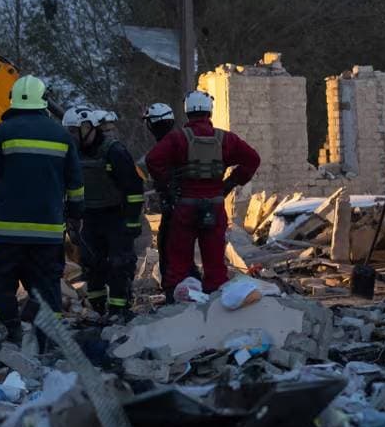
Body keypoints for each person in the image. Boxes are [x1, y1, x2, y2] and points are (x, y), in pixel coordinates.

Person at [0, 76, 84, 351]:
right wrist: (75, 216)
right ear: (43, 101)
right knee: (48, 290)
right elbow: (76, 185)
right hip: (47, 235)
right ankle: (47, 346)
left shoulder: (2, 133)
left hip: (5, 233)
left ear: (13, 100)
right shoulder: (61, 135)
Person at [144, 90, 259, 294]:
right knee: (215, 263)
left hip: (184, 207)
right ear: (210, 111)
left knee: (179, 261)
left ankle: (177, 302)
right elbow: (253, 159)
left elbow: (153, 160)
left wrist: (169, 185)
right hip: (214, 206)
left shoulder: (178, 138)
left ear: (187, 112)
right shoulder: (225, 138)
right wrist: (231, 182)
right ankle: (215, 304)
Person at [66, 105, 145, 319]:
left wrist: (132, 220)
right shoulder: (71, 154)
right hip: (89, 218)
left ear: (88, 127)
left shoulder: (114, 151)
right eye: (69, 132)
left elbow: (134, 189)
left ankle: (119, 310)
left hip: (116, 216)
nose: (72, 137)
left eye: (75, 131)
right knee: (92, 265)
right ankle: (98, 309)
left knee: (120, 264)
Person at [141, 101, 182, 292]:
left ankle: (172, 290)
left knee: (167, 247)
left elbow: (146, 165)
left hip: (174, 206)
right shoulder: (186, 140)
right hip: (193, 203)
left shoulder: (161, 148)